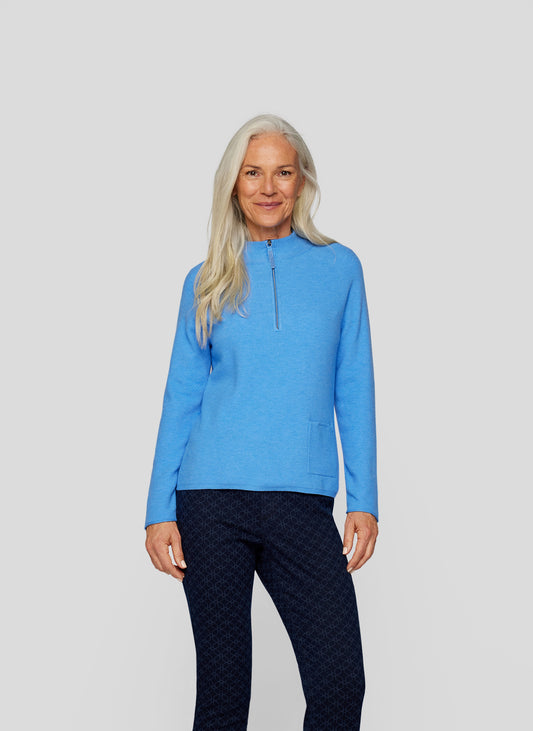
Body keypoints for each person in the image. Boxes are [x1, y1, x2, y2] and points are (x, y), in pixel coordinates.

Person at [144, 113, 379, 730]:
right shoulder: (205, 279)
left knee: (339, 685)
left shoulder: (340, 268)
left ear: (302, 182)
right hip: (210, 502)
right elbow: (181, 397)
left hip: (302, 501)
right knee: (223, 697)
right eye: (253, 173)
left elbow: (354, 386)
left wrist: (364, 499)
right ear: (233, 183)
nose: (268, 187)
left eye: (282, 172)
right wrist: (158, 509)